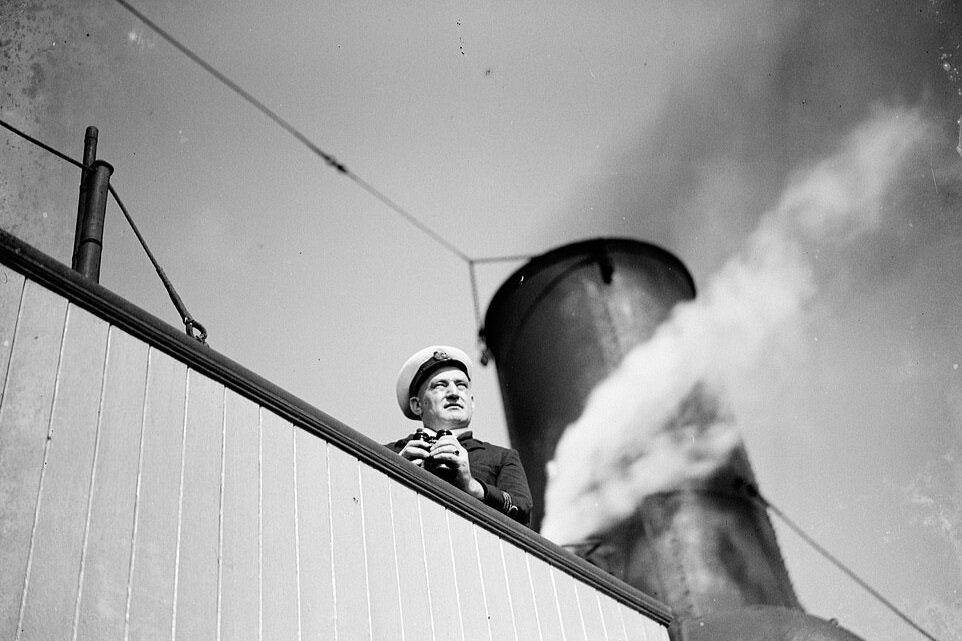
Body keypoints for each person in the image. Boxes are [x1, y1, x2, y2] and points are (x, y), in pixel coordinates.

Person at [386, 345, 532, 526]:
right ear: (417, 405)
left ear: (472, 402)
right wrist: (393, 471)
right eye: (440, 385)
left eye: (461, 386)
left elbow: (523, 512)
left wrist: (472, 486)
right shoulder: (389, 452)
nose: (454, 393)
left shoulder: (501, 457)